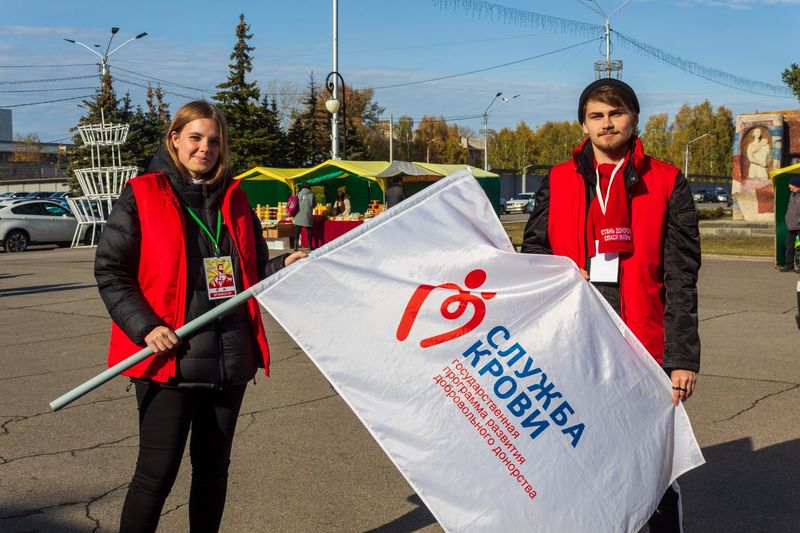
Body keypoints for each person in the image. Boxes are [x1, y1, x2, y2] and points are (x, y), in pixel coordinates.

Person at [94, 100, 305, 533]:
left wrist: (282, 266)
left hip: (230, 359)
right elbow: (111, 272)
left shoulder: (236, 196)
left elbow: (250, 272)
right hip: (169, 360)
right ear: (175, 139)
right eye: (195, 137)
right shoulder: (142, 194)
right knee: (155, 478)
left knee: (212, 475)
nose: (204, 148)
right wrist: (146, 326)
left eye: (213, 140)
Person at [521, 78, 700, 533]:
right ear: (583, 124)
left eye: (616, 113)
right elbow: (534, 253)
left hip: (645, 341)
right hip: (572, 339)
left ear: (634, 118)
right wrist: (562, 273)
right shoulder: (558, 179)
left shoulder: (666, 180)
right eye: (596, 115)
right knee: (577, 455)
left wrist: (681, 358)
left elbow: (682, 274)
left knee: (652, 465)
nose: (607, 124)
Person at [781, 175, 800, 271]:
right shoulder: (792, 195)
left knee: (799, 248)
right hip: (792, 226)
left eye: (791, 184)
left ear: (796, 185)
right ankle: (788, 266)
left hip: (799, 226)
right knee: (789, 247)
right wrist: (787, 219)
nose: (789, 186)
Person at [292, 182, 316, 250]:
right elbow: (314, 205)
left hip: (298, 214)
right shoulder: (312, 195)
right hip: (308, 214)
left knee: (297, 231)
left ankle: (295, 246)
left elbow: (295, 203)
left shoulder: (298, 194)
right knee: (309, 231)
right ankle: (309, 246)